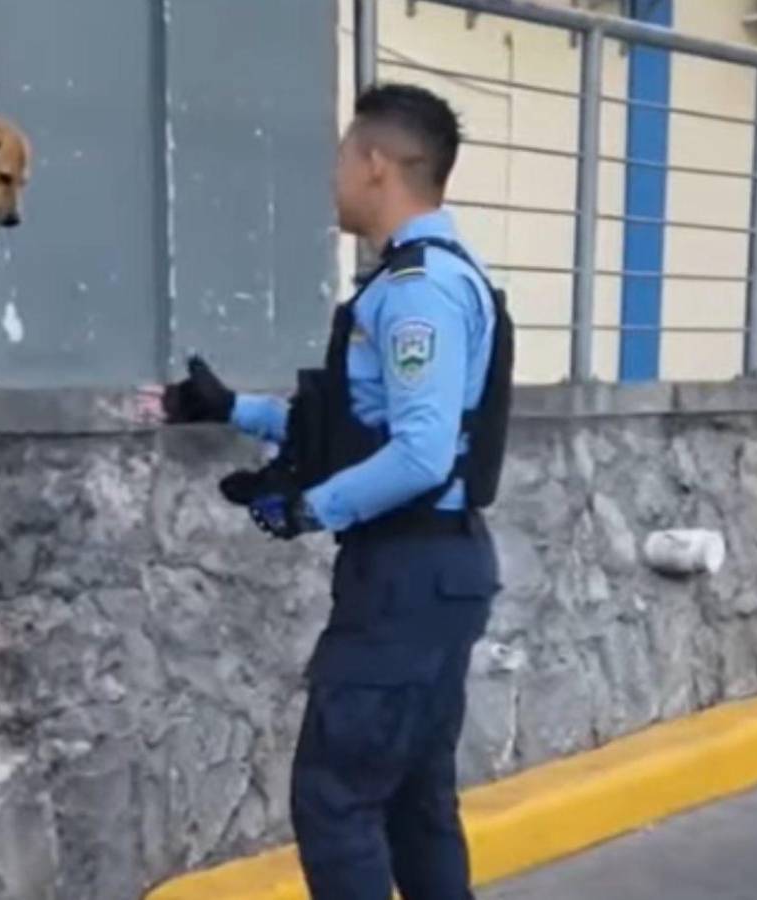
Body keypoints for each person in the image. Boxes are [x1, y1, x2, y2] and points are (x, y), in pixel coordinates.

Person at [160, 83, 512, 900]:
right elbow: (362, 426)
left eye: (343, 158)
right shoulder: (421, 278)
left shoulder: (418, 290)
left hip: (406, 576)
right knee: (415, 803)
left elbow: (421, 454)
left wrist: (310, 509)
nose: (334, 177)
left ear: (377, 165)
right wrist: (233, 409)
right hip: (433, 571)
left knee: (335, 800)